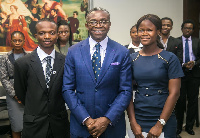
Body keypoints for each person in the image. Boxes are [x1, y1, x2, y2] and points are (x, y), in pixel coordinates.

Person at [62, 7, 132, 138]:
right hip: (81, 126)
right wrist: (86, 119)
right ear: (87, 25)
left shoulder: (122, 52)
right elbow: (67, 89)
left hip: (112, 126)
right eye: (93, 21)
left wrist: (106, 119)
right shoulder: (73, 51)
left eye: (103, 21)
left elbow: (126, 91)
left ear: (109, 25)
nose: (98, 25)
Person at [127, 14, 184, 138]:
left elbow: (174, 93)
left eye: (149, 30)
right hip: (138, 118)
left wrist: (160, 124)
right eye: (141, 30)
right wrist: (132, 122)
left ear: (158, 32)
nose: (144, 33)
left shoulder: (170, 58)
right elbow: (127, 92)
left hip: (164, 118)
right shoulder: (132, 59)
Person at [14, 18, 70, 138]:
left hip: (59, 124)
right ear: (35, 36)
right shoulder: (22, 63)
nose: (47, 36)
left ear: (57, 35)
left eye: (51, 32)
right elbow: (21, 93)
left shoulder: (66, 61)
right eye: (42, 33)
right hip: (34, 125)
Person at [175, 19, 200, 136]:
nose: (188, 30)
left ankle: (189, 126)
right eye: (186, 28)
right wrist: (182, 64)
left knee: (193, 101)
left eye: (190, 28)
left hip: (194, 74)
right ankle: (178, 126)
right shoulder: (176, 41)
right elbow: (173, 58)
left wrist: (194, 63)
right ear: (182, 29)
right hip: (180, 74)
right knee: (180, 101)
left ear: (193, 30)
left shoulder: (197, 41)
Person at [0, 31, 27, 138]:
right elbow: (3, 78)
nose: (17, 43)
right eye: (14, 40)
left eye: (20, 40)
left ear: (24, 41)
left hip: (27, 95)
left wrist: (25, 95)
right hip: (12, 96)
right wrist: (15, 95)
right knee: (16, 125)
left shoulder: (29, 56)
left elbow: (32, 77)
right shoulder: (5, 57)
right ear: (11, 41)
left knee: (28, 124)